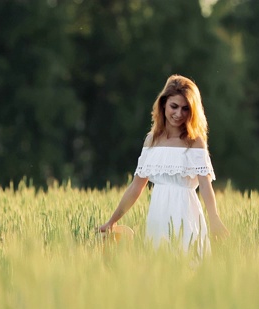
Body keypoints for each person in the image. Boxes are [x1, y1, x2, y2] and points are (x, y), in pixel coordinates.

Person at [98, 74, 228, 258]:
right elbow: (136, 187)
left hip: (186, 215)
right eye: (174, 106)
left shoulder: (195, 142)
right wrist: (112, 221)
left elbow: (206, 186)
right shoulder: (152, 140)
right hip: (158, 216)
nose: (179, 114)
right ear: (163, 104)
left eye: (185, 109)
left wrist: (214, 219)